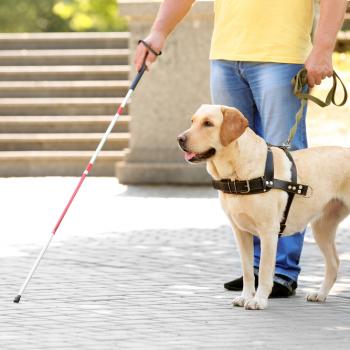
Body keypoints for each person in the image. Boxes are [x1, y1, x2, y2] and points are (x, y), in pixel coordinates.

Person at [134, 0, 347, 297]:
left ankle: (281, 272)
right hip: (225, 56)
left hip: (282, 56)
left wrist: (323, 48)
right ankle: (258, 270)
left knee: (283, 166)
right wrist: (158, 31)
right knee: (234, 161)